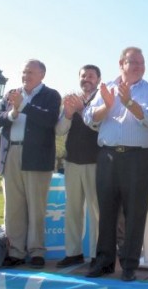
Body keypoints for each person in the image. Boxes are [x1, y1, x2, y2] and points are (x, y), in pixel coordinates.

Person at [83, 47, 148, 282]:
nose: (139, 66)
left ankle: (129, 264)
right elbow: (89, 118)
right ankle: (105, 262)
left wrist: (128, 102)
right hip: (108, 157)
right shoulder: (105, 88)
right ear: (121, 63)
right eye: (134, 62)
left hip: (138, 158)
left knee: (134, 213)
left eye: (142, 62)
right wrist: (107, 106)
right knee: (106, 212)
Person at [0, 59, 61, 269]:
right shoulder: (11, 93)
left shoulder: (51, 95)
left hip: (37, 158)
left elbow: (49, 120)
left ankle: (37, 251)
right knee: (13, 208)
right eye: (24, 72)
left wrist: (25, 106)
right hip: (10, 153)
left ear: (42, 75)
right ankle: (15, 252)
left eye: (30, 72)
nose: (25, 76)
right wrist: (12, 113)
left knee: (36, 208)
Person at [55, 64, 101, 268]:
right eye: (83, 76)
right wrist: (67, 112)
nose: (86, 79)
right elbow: (59, 130)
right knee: (73, 210)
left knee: (97, 211)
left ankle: (95, 255)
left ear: (98, 79)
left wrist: (82, 110)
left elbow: (99, 126)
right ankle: (73, 253)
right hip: (72, 161)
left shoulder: (103, 99)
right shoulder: (71, 100)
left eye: (91, 76)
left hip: (96, 162)